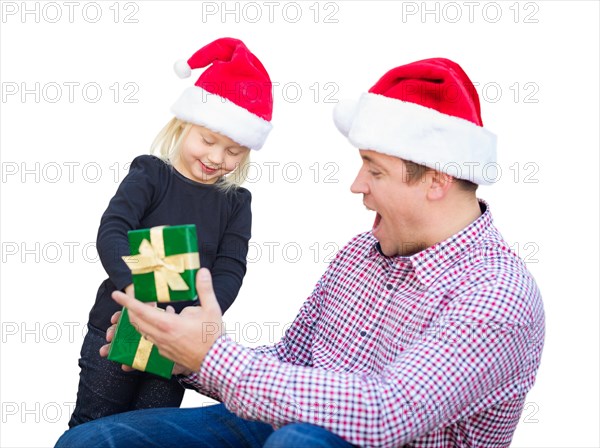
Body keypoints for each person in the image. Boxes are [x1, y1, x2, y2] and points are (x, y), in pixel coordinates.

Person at [57, 58, 545, 447]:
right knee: (94, 440)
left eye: (374, 171)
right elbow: (292, 360)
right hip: (280, 425)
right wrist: (180, 351)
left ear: (437, 180)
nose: (357, 187)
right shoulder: (360, 255)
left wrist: (210, 359)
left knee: (299, 440)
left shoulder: (497, 295)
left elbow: (387, 412)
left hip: (343, 439)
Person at [67, 37, 274, 428]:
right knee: (94, 425)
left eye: (234, 151)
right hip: (120, 324)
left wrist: (202, 315)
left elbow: (231, 269)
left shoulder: (236, 203)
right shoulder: (151, 174)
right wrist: (135, 290)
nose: (216, 158)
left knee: (152, 430)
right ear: (182, 125)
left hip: (178, 340)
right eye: (208, 140)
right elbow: (113, 229)